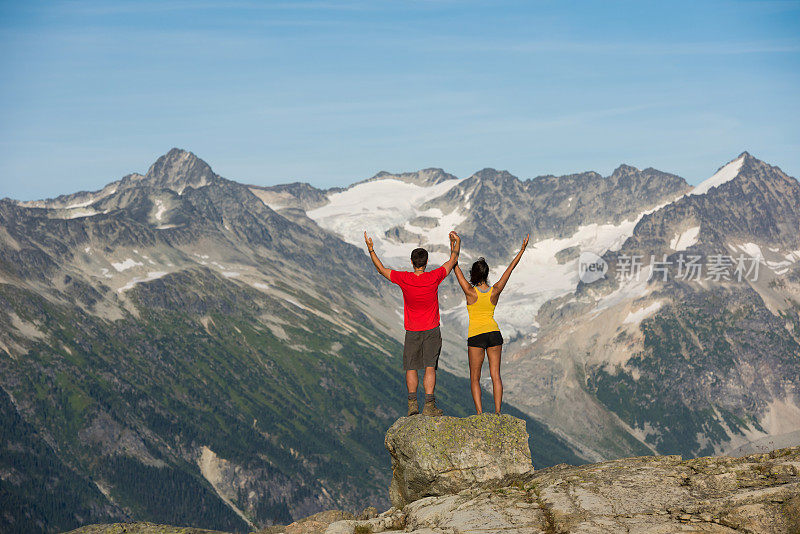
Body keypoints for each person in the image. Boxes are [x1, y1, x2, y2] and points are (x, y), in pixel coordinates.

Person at [364, 230, 461, 417]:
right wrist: (457, 243)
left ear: (412, 262)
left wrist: (371, 251)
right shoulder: (434, 277)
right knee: (430, 367)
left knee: (411, 367)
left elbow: (381, 270)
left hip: (412, 330)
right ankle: (429, 405)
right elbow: (452, 261)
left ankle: (412, 405)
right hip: (432, 329)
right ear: (426, 263)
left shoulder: (405, 279)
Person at [452, 234, 529, 414]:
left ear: (473, 274)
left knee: (474, 378)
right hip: (494, 333)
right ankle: (497, 412)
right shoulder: (495, 291)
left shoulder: (470, 292)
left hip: (476, 336)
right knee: (496, 376)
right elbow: (509, 269)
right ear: (486, 274)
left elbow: (454, 266)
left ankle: (479, 414)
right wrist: (522, 250)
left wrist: (455, 244)